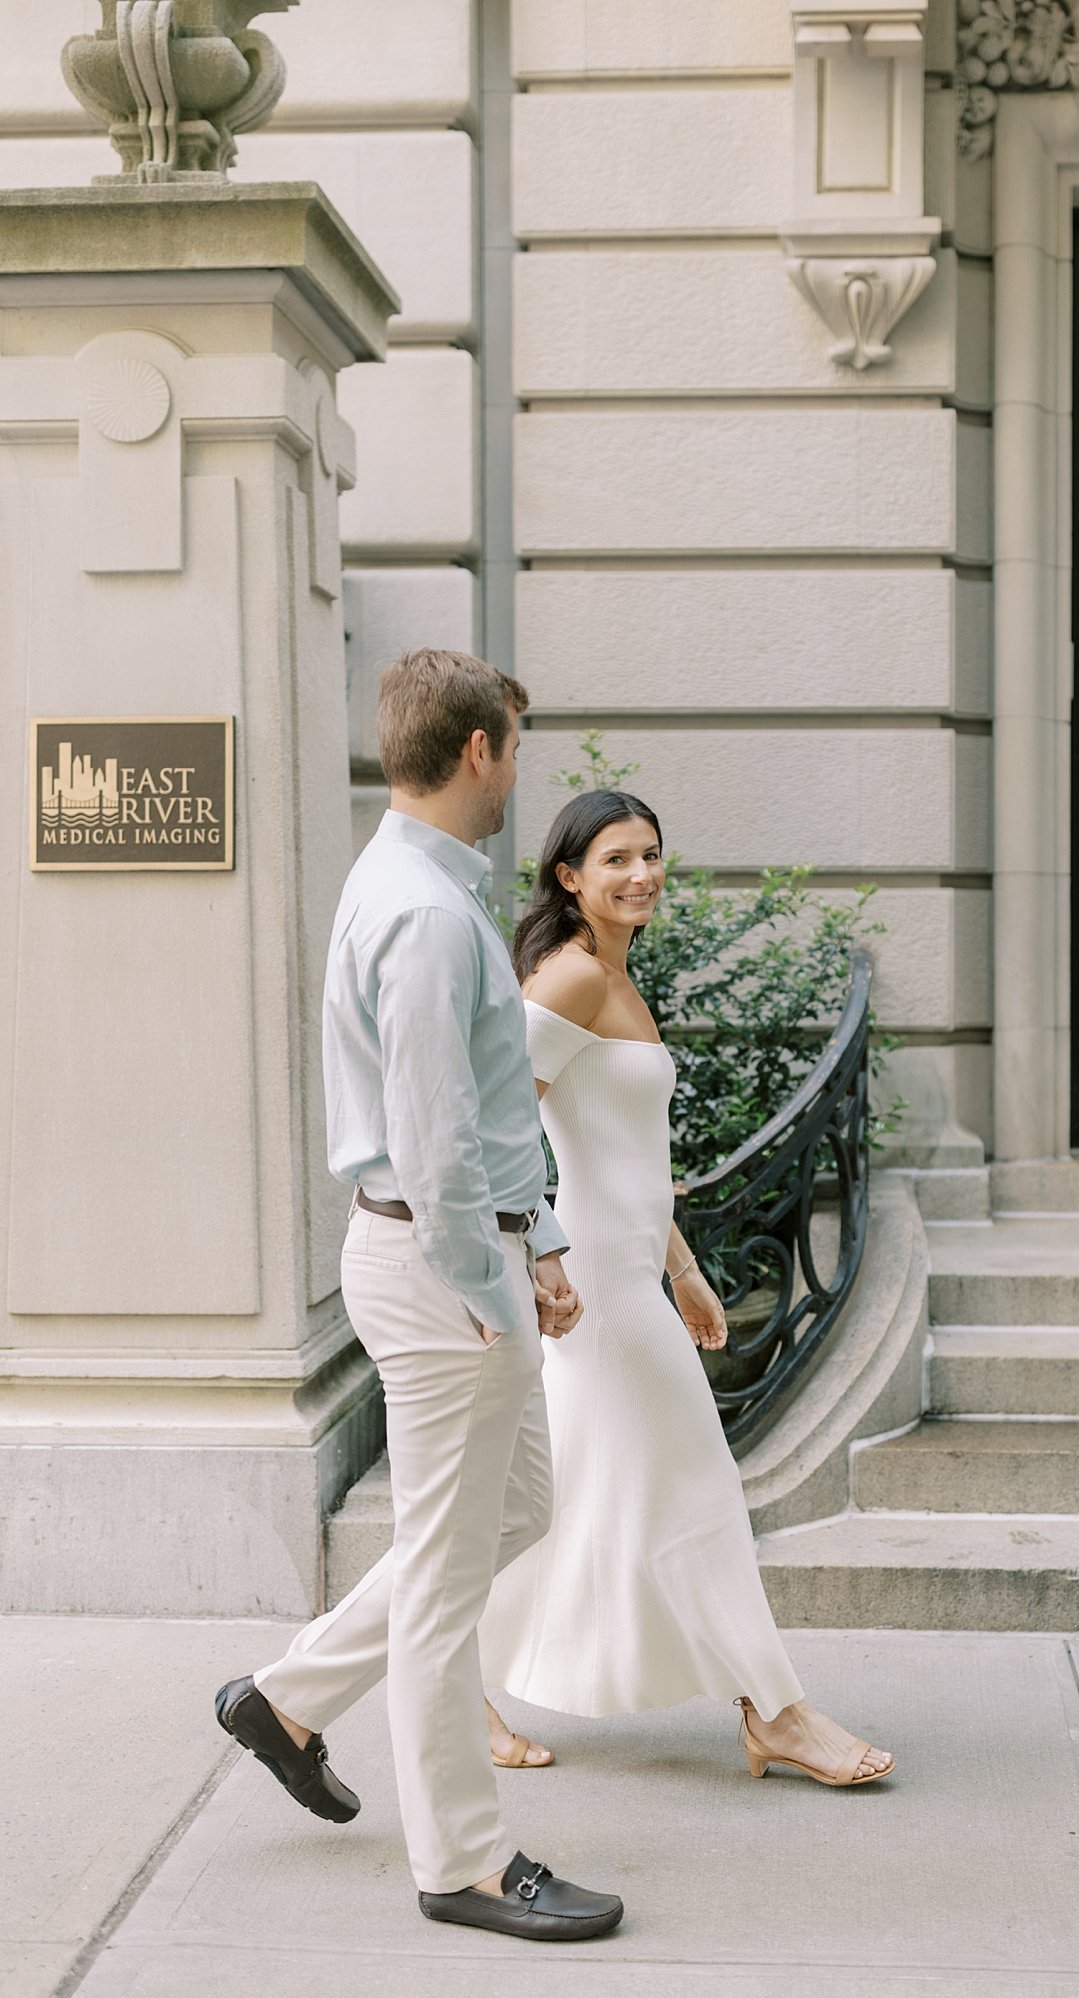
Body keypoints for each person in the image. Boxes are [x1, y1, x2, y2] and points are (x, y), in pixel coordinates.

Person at [214, 649, 623, 1944]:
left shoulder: (421, 885)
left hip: (463, 1250)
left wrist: (541, 1237)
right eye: (514, 741)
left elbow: (489, 1113)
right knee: (449, 1582)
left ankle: (284, 1698)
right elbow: (437, 1140)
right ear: (479, 751)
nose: (518, 768)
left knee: (516, 1505)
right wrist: (487, 1287)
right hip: (439, 1263)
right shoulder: (430, 912)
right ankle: (465, 1859)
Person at [478, 789, 894, 1790]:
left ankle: (461, 1676)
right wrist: (538, 1256)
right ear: (568, 875)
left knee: (578, 1501)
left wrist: (684, 1268)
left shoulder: (617, 973)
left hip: (631, 1278)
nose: (641, 874)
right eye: (615, 858)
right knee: (693, 1487)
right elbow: (498, 1125)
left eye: (652, 854)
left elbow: (628, 1156)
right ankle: (778, 1713)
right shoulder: (572, 977)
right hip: (592, 1293)